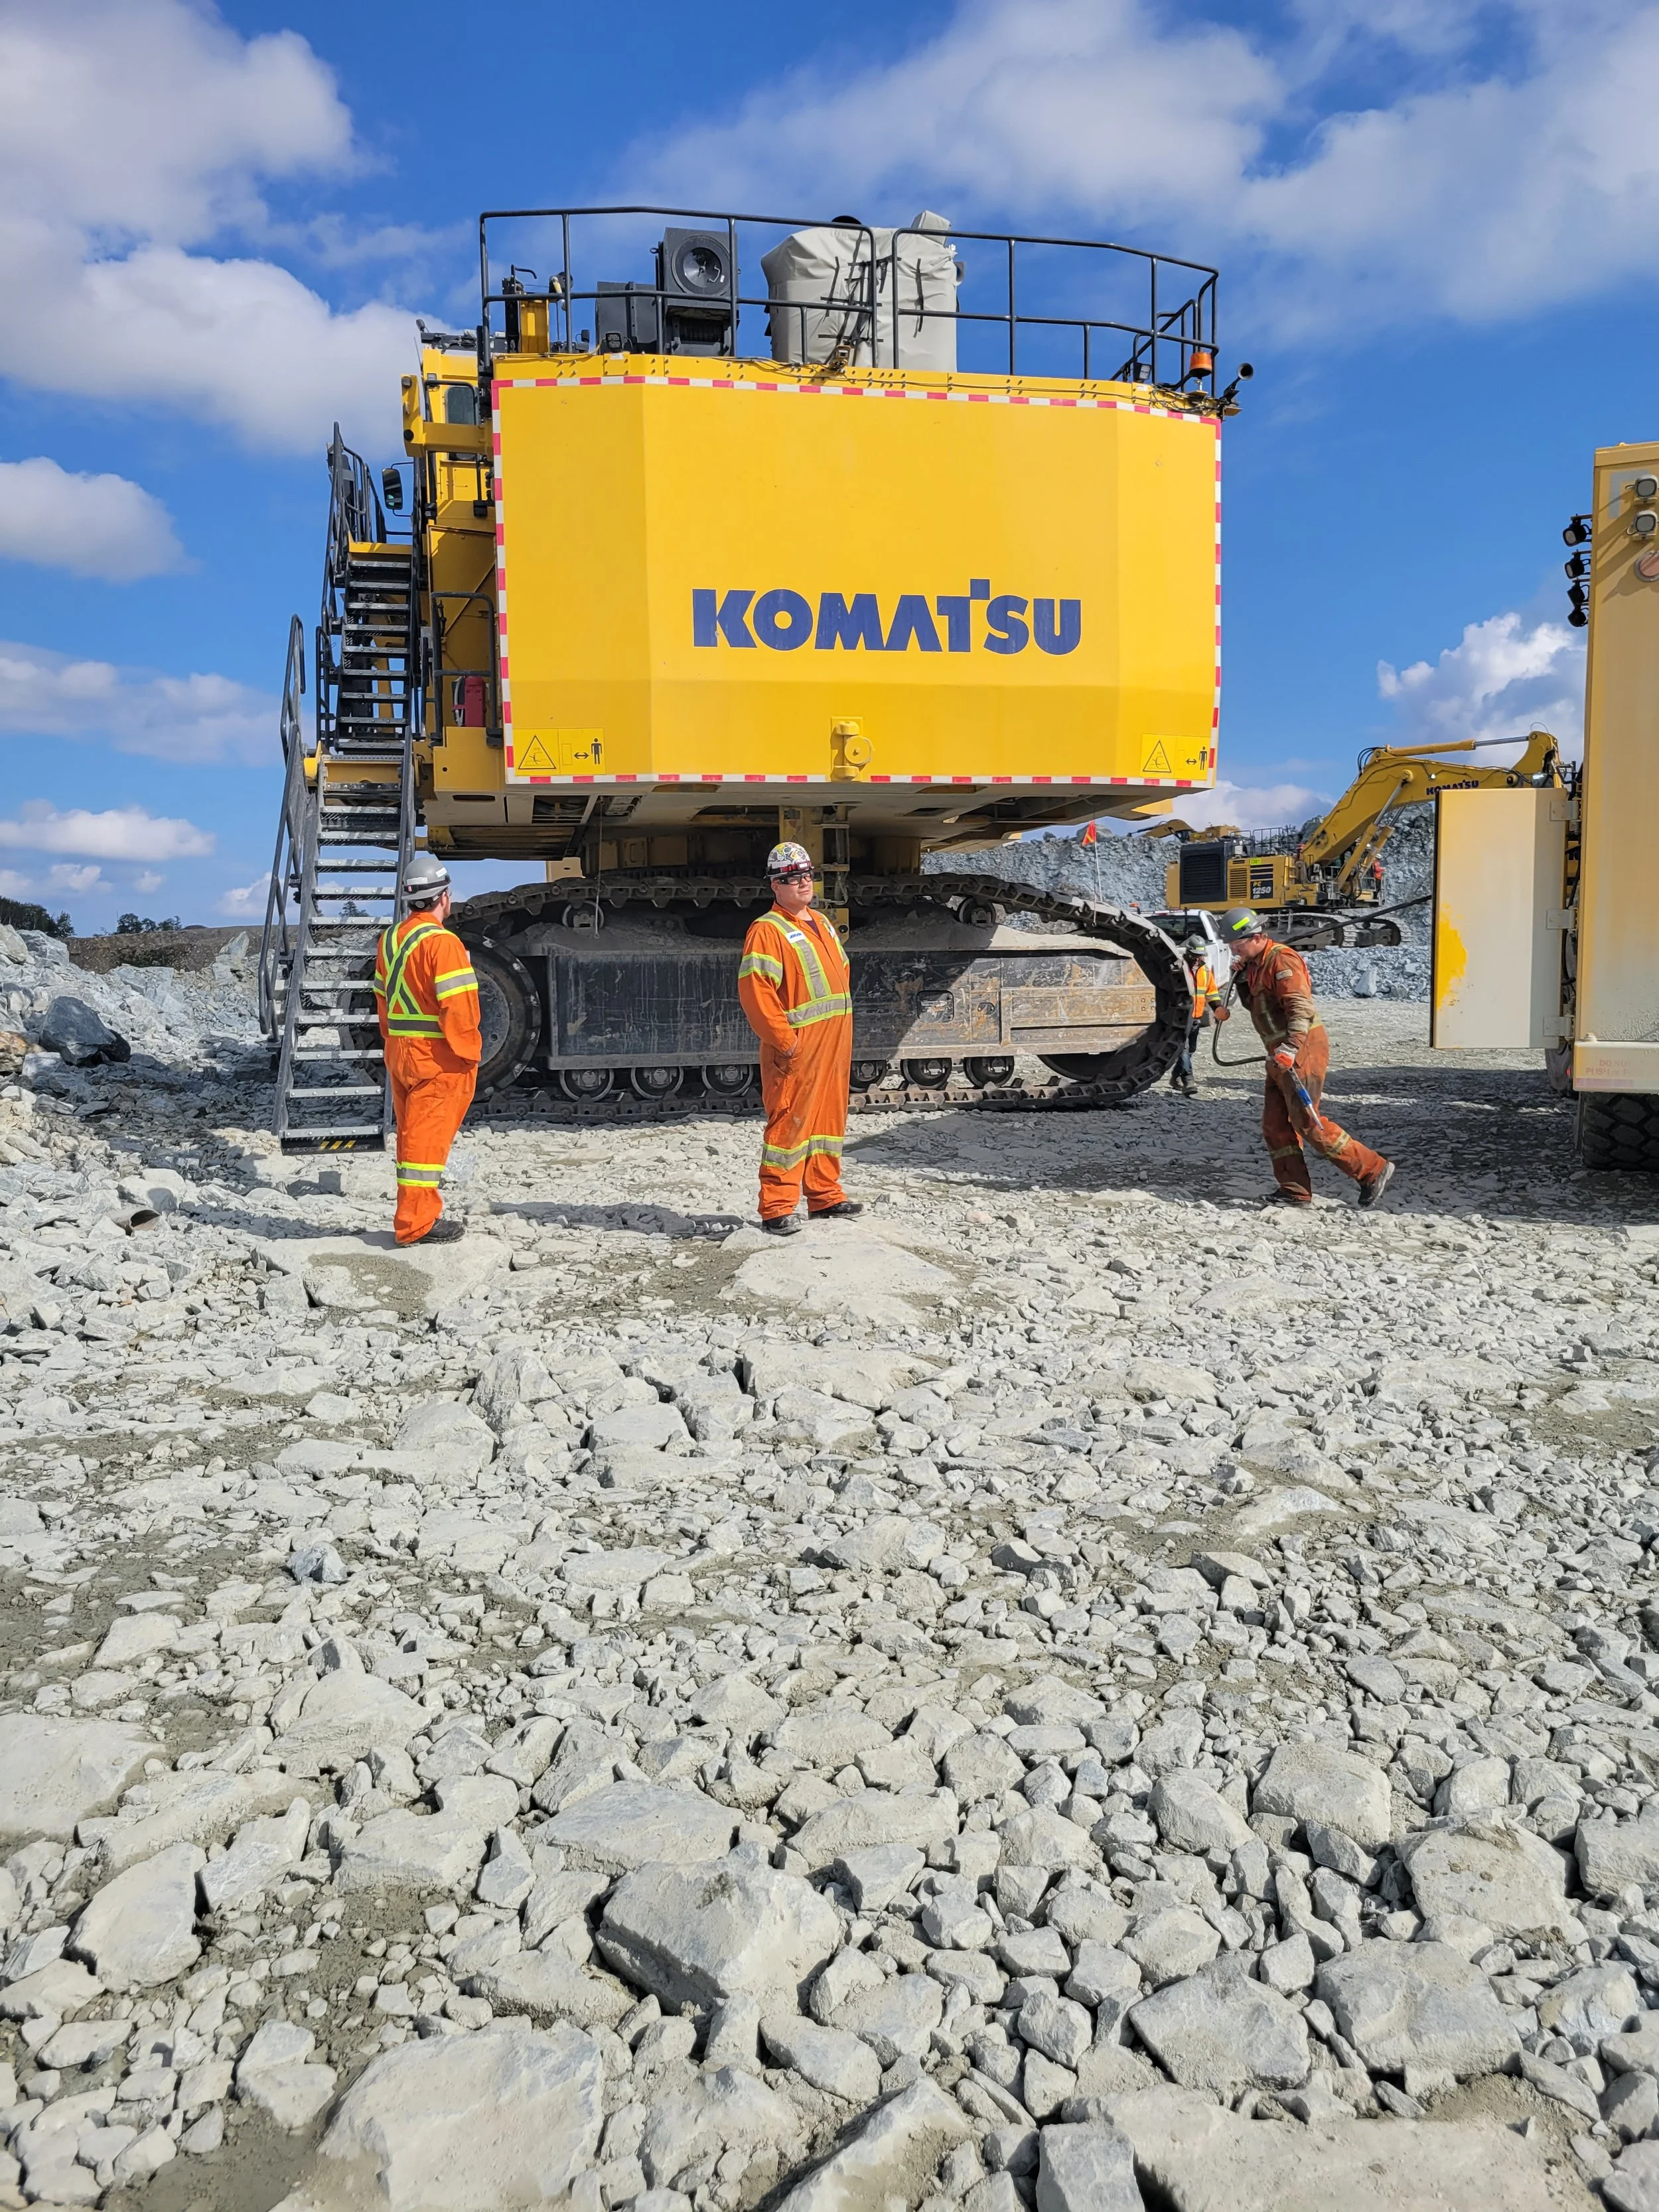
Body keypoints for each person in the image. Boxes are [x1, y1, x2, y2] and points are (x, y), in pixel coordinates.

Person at [1217, 906, 1395, 1209]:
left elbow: (1301, 1008)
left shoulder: (1282, 960)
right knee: (1275, 1125)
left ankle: (1372, 1169)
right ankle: (1294, 1191)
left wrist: (1290, 1049)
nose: (1233, 950)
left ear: (1256, 936)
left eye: (1237, 944)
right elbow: (1263, 1005)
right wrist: (1241, 983)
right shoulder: (1255, 964)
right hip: (1278, 1053)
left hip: (1300, 1049)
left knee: (1308, 1123)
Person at [737, 844, 861, 1236]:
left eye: (807, 874)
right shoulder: (767, 931)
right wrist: (786, 1043)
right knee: (791, 1122)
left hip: (834, 1040)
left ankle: (824, 1196)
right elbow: (756, 994)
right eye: (792, 877)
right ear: (775, 885)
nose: (803, 882)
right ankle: (776, 1208)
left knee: (827, 1119)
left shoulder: (822, 923)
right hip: (799, 1044)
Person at [373, 854, 480, 1246]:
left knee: (411, 1134)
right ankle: (416, 1224)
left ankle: (414, 1212)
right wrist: (468, 1053)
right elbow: (460, 1007)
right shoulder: (443, 943)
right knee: (425, 1139)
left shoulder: (390, 940)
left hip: (401, 1051)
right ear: (444, 898)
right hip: (436, 1057)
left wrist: (394, 1040)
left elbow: (382, 1000)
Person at [1169, 934, 1222, 1098]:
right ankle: (1188, 1082)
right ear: (1189, 954)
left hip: (1196, 1017)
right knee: (1183, 1049)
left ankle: (1175, 1076)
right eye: (1196, 956)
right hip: (1181, 1019)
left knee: (1191, 1049)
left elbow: (1212, 992)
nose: (1199, 959)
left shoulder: (1205, 970)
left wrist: (1218, 1008)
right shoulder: (1179, 969)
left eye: (1201, 956)